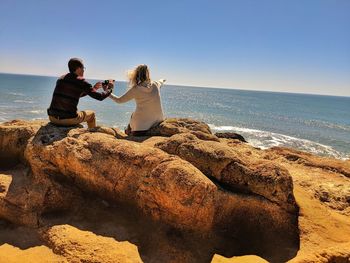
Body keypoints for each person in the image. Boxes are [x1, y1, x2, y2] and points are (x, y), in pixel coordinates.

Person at [47, 58, 114, 128]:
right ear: (79, 68)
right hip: (68, 119)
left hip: (52, 118)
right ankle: (91, 132)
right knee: (92, 114)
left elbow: (73, 94)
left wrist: (94, 88)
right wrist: (110, 89)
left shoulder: (61, 79)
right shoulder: (82, 81)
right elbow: (100, 97)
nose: (83, 70)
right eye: (83, 68)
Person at [109, 64, 166, 136]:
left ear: (136, 74)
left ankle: (128, 131)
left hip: (141, 127)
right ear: (148, 73)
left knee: (133, 115)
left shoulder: (136, 89)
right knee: (135, 115)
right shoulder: (156, 84)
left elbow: (119, 100)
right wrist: (163, 79)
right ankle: (128, 130)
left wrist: (108, 93)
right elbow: (161, 81)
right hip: (158, 121)